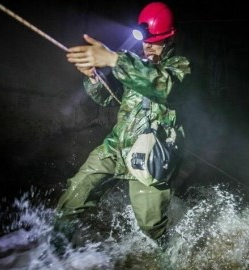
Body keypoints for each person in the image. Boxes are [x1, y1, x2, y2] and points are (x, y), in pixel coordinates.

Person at [52, 2, 191, 249]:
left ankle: (170, 260)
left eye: (154, 41)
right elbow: (107, 98)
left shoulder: (180, 67)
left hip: (150, 153)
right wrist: (94, 77)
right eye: (145, 40)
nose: (147, 46)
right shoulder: (136, 63)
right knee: (74, 197)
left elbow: (163, 85)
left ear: (170, 39)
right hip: (117, 145)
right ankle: (54, 255)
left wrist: (115, 59)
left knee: (150, 225)